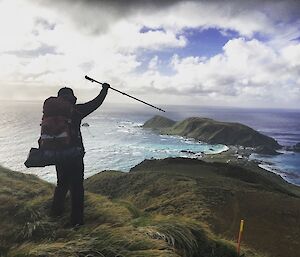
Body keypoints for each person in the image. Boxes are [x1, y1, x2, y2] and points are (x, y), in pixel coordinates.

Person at [50, 83, 110, 227]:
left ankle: (55, 214)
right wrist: (104, 89)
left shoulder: (52, 113)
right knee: (77, 189)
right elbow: (96, 103)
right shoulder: (76, 110)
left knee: (61, 185)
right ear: (72, 97)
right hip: (75, 156)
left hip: (59, 155)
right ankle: (77, 223)